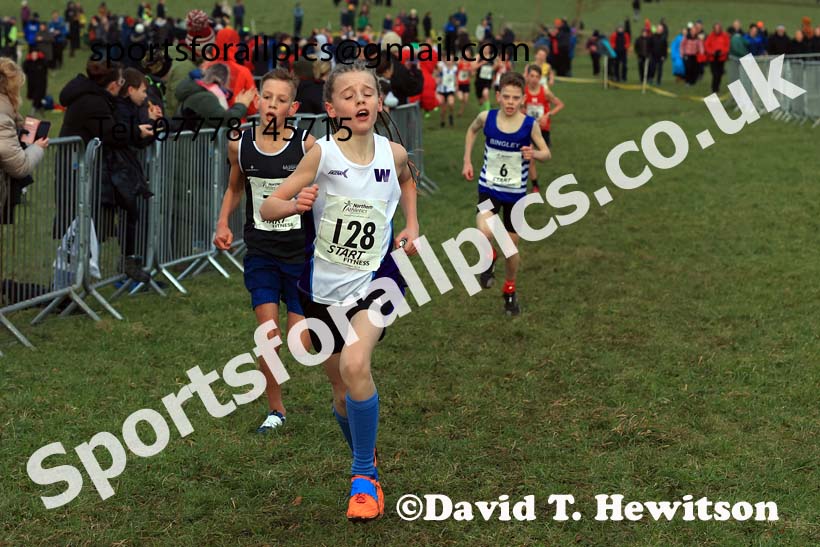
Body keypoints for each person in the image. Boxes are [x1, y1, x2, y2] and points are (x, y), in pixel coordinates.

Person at [259, 59, 419, 522]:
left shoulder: (395, 153)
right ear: (332, 108)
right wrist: (294, 201)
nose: (361, 100)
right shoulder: (322, 155)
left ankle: (362, 475)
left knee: (354, 362)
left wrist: (411, 224)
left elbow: (408, 183)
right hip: (323, 289)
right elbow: (269, 206)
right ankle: (367, 459)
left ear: (379, 100)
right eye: (349, 95)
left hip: (378, 280)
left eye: (367, 92)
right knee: (340, 391)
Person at [214, 69, 315, 433]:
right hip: (261, 254)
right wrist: (223, 223)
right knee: (268, 337)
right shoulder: (239, 144)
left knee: (299, 343)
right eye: (267, 97)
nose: (272, 105)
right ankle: (276, 410)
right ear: (257, 99)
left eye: (281, 99)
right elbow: (234, 188)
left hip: (301, 256)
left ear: (294, 106)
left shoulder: (306, 146)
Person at [462, 72, 550, 316]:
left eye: (516, 98)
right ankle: (489, 255)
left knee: (511, 250)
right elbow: (471, 131)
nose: (511, 102)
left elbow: (546, 153)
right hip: (489, 188)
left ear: (523, 99)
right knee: (485, 230)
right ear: (498, 96)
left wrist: (535, 155)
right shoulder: (486, 117)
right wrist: (467, 160)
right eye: (507, 97)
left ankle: (509, 289)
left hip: (515, 195)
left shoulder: (529, 125)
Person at [106, 67, 162, 283]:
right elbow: (127, 135)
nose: (146, 95)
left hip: (128, 170)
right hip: (118, 171)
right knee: (127, 217)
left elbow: (141, 139)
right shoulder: (121, 109)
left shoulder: (132, 108)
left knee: (134, 217)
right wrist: (142, 126)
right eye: (142, 90)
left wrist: (152, 123)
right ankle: (126, 266)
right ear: (130, 89)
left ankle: (132, 264)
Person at [0, 57, 48, 217]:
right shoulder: (2, 121)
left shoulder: (7, 115)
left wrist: (19, 123)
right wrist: (38, 148)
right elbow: (19, 166)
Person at [522, 65, 562, 194]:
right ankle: (535, 186)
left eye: (537, 77)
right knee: (530, 157)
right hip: (528, 129)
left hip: (543, 129)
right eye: (532, 76)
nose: (534, 79)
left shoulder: (545, 92)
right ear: (527, 76)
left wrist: (547, 115)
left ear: (540, 78)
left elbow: (560, 104)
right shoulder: (523, 92)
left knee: (545, 156)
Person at [704, 23, 729, 94]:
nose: (717, 30)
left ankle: (717, 88)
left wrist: (722, 52)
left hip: (721, 58)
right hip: (713, 58)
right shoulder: (711, 36)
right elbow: (707, 45)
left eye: (718, 28)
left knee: (720, 74)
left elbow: (727, 46)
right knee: (714, 74)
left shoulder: (724, 36)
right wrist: (712, 52)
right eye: (716, 28)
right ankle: (714, 88)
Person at [435, 58, 457, 127]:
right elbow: (436, 76)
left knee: (451, 103)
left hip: (450, 90)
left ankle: (451, 115)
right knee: (443, 109)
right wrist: (438, 79)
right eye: (448, 59)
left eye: (450, 59)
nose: (449, 61)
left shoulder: (455, 68)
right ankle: (442, 120)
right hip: (442, 90)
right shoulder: (441, 68)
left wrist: (456, 86)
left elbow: (455, 78)